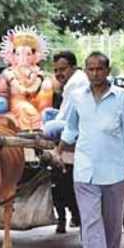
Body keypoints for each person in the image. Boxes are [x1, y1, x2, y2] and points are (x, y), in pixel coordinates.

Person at [56, 51, 124, 248]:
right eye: (90, 69)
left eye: (99, 69)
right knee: (90, 220)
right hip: (85, 170)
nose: (95, 73)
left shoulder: (121, 96)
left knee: (113, 222)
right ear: (85, 70)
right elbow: (71, 127)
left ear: (108, 71)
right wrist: (59, 150)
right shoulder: (77, 96)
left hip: (114, 171)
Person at [43, 51, 88, 233]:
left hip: (73, 132)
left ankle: (70, 216)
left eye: (63, 69)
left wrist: (58, 147)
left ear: (73, 67)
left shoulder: (76, 83)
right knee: (47, 114)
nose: (59, 73)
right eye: (56, 70)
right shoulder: (71, 82)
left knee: (48, 126)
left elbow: (69, 118)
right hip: (69, 129)